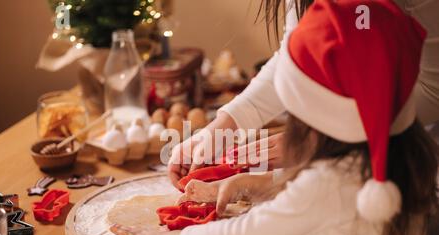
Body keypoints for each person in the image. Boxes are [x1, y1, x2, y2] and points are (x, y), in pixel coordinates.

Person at [112, 0, 437, 235]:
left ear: (316, 119)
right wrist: (257, 182)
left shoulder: (325, 185)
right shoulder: (407, 154)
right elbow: (335, 198)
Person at [167, 0, 439, 187]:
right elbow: (296, 55)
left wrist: (322, 140)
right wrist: (225, 125)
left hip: (422, 172)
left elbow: (432, 90)